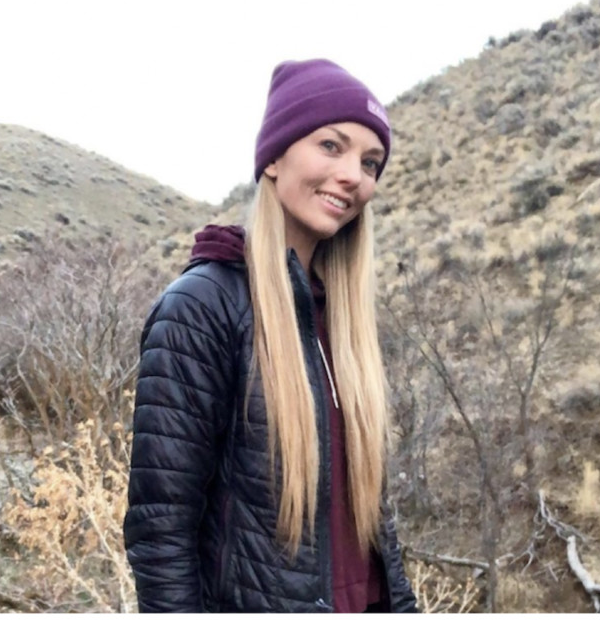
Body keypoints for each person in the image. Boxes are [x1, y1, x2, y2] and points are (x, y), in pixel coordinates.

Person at [123, 59, 417, 613]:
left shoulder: (341, 318)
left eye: (370, 163)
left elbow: (373, 521)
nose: (354, 176)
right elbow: (161, 530)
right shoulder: (204, 306)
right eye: (331, 146)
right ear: (275, 158)